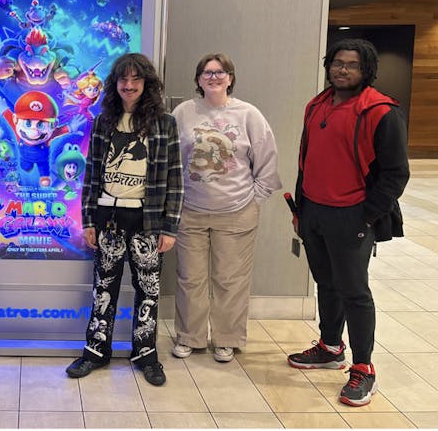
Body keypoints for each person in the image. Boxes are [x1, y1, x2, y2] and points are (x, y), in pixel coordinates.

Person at [287, 38, 409, 407]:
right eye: (337, 63)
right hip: (314, 212)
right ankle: (329, 346)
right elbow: (306, 159)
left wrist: (367, 216)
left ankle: (363, 368)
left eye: (351, 65)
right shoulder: (317, 104)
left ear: (366, 70)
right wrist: (300, 209)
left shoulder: (380, 111)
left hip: (352, 215)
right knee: (326, 283)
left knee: (355, 292)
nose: (342, 70)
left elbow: (395, 174)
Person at [65, 53, 183, 387]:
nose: (129, 86)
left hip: (147, 220)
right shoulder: (103, 121)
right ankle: (95, 350)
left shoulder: (165, 123)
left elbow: (175, 178)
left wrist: (170, 226)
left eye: (136, 80)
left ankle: (146, 354)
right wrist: (89, 219)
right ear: (115, 84)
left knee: (148, 289)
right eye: (123, 80)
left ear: (147, 84)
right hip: (108, 218)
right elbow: (90, 175)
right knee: (103, 287)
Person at [171, 53, 281, 363]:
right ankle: (189, 337)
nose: (214, 77)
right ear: (198, 79)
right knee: (189, 278)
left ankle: (226, 338)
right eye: (207, 72)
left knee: (230, 279)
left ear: (230, 78)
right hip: (190, 209)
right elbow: (170, 159)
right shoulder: (183, 113)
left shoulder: (248, 115)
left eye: (220, 72)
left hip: (236, 211)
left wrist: (254, 199)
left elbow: (267, 162)